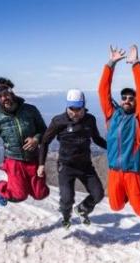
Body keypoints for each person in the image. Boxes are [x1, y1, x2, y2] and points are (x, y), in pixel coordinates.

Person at [98, 44, 140, 217]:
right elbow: (103, 91)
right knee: (115, 207)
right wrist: (111, 63)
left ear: (135, 102)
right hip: (114, 172)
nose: (127, 100)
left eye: (131, 99)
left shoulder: (138, 120)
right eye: (124, 98)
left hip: (132, 173)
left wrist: (135, 65)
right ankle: (127, 195)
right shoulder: (112, 116)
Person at [40, 89, 107, 228]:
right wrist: (41, 164)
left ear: (84, 106)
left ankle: (82, 209)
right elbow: (45, 141)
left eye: (79, 109)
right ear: (67, 106)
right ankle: (66, 216)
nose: (75, 112)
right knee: (67, 198)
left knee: (98, 194)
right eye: (72, 109)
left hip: (85, 166)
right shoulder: (58, 121)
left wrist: (112, 148)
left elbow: (97, 139)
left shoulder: (90, 119)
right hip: (66, 167)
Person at [0, 77, 49, 207]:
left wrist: (36, 139)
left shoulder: (30, 110)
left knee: (41, 194)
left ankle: (21, 185)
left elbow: (44, 131)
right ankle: (2, 188)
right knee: (19, 195)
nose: (3, 98)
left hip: (33, 158)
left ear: (11, 91)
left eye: (5, 93)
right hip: (14, 160)